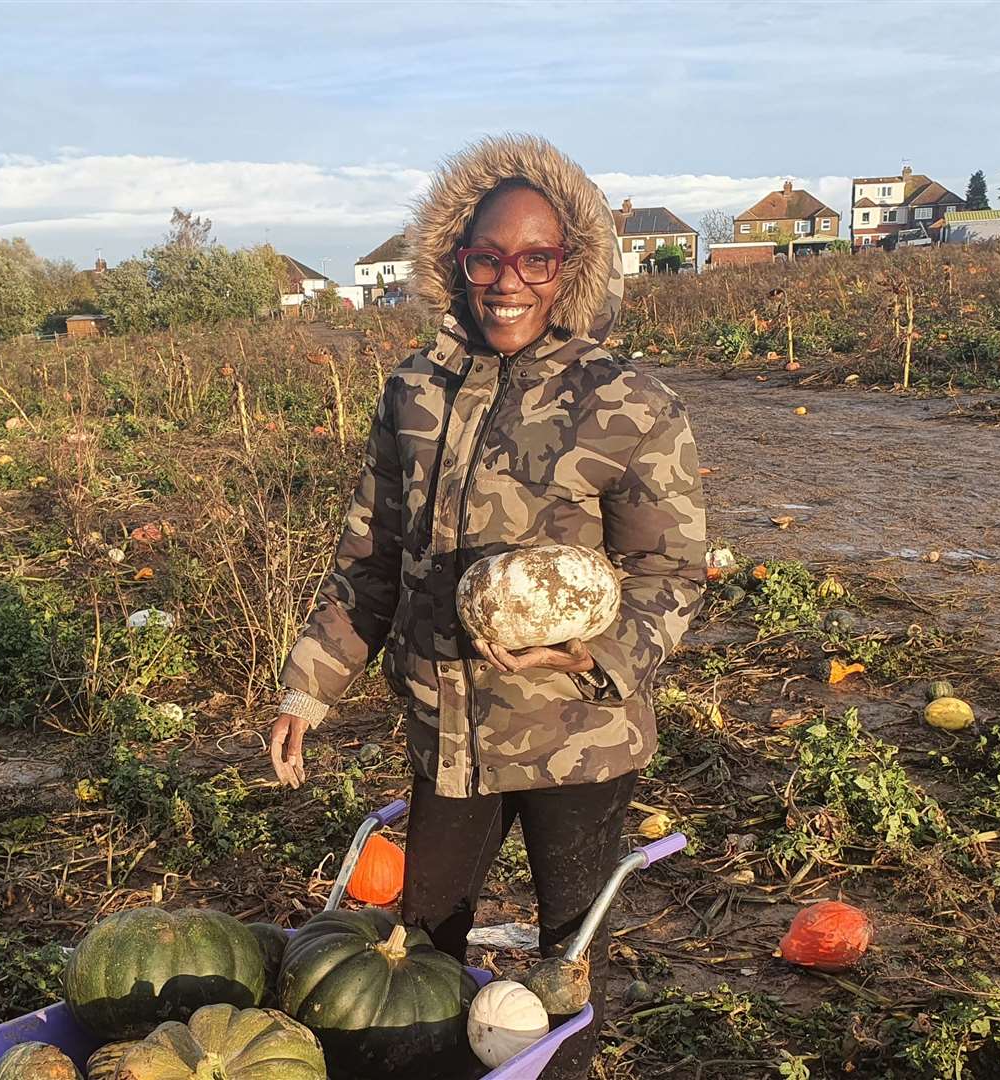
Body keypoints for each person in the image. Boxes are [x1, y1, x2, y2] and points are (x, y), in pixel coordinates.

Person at [269, 134, 705, 1078]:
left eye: (536, 258)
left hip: (579, 734)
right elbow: (370, 557)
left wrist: (593, 660)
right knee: (417, 954)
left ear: (571, 267)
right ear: (453, 263)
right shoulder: (413, 391)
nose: (509, 281)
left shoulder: (628, 403)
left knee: (564, 965)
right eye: (486, 258)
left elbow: (671, 572)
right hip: (446, 726)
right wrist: (308, 689)